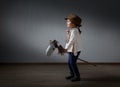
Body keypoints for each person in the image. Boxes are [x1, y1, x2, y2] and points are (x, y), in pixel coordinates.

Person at [64, 14, 82, 82]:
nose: (67, 22)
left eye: (68, 21)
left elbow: (72, 41)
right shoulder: (73, 30)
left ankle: (77, 76)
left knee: (72, 63)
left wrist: (66, 49)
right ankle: (72, 74)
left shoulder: (74, 31)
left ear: (74, 23)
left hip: (75, 50)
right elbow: (68, 40)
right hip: (71, 49)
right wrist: (68, 34)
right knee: (69, 62)